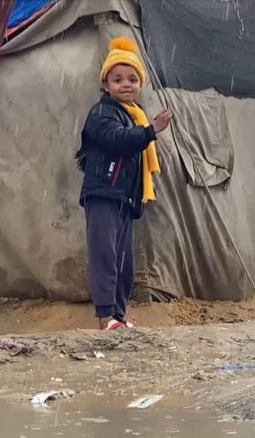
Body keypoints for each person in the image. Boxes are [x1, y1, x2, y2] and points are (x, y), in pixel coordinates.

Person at [76, 37, 173, 330]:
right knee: (105, 257)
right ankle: (106, 318)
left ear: (141, 83)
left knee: (123, 264)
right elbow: (117, 141)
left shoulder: (133, 116)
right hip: (103, 194)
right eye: (118, 79)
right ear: (106, 84)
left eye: (132, 79)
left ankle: (118, 316)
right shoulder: (103, 113)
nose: (126, 84)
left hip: (123, 199)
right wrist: (151, 130)